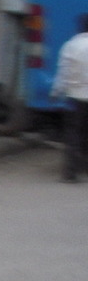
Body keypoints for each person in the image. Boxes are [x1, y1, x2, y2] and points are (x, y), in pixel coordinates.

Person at [51, 13, 88, 182]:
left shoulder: (70, 46)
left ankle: (71, 173)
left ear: (79, 27)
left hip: (75, 97)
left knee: (73, 134)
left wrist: (55, 93)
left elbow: (63, 73)